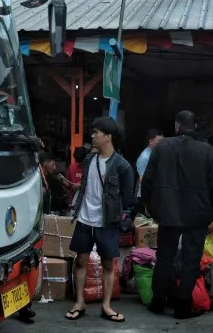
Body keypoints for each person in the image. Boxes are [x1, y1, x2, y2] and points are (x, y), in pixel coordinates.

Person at [141, 110, 213, 319]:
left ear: (177, 126)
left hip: (168, 213)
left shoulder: (162, 147)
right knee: (191, 260)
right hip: (197, 215)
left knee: (164, 257)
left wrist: (149, 206)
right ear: (195, 127)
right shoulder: (207, 151)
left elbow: (148, 181)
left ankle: (158, 301)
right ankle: (182, 305)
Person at [65, 117, 135, 323]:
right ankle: (79, 302)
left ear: (108, 136)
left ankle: (106, 306)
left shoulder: (122, 166)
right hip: (85, 218)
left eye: (96, 132)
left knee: (107, 263)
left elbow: (128, 196)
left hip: (107, 221)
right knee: (81, 261)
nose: (92, 136)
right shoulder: (89, 160)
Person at [135, 129, 163, 215]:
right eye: (159, 141)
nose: (162, 143)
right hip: (145, 196)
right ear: (151, 141)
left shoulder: (156, 154)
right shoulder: (144, 157)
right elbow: (142, 179)